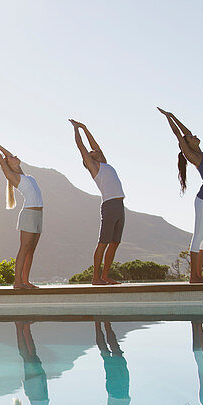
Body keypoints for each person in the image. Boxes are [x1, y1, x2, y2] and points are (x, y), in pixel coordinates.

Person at [157, 109, 203, 284]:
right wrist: (168, 118)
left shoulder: (202, 153)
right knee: (198, 236)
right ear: (187, 145)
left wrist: (174, 115)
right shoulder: (192, 155)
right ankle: (194, 276)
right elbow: (179, 135)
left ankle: (199, 275)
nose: (194, 136)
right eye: (191, 138)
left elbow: (185, 133)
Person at [70, 120, 126, 285]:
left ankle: (106, 276)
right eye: (91, 152)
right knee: (104, 242)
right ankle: (96, 277)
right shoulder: (95, 167)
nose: (93, 150)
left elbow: (95, 146)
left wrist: (85, 128)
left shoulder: (105, 163)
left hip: (120, 205)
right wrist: (76, 130)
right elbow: (81, 147)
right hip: (109, 205)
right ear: (89, 160)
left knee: (115, 242)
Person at [0, 142, 43, 290]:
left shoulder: (25, 175)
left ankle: (26, 281)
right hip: (28, 214)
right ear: (8, 164)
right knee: (24, 248)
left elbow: (7, 156)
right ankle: (17, 282)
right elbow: (1, 160)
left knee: (31, 250)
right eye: (11, 157)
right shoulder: (13, 176)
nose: (14, 156)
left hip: (38, 215)